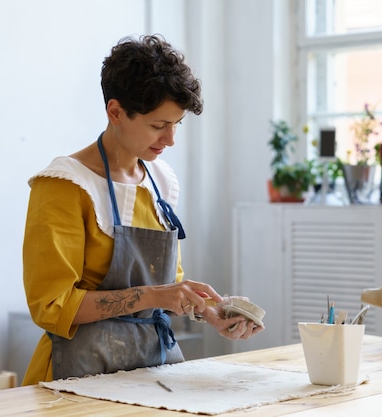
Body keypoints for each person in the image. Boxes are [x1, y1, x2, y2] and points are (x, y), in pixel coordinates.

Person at [21, 34, 264, 385]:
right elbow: (51, 305)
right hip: (77, 374)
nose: (170, 139)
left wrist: (210, 310)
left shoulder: (160, 181)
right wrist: (153, 295)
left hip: (154, 369)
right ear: (115, 112)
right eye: (158, 125)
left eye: (176, 124)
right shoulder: (64, 185)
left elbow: (168, 286)